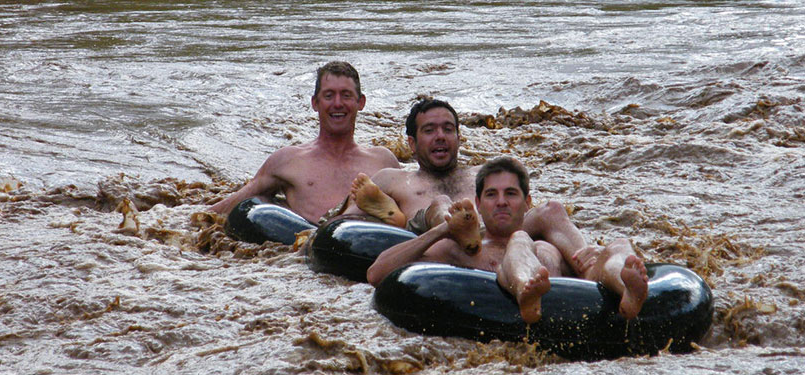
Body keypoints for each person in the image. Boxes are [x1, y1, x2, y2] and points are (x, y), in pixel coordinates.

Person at [366, 157, 649, 324]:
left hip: (570, 299)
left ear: (527, 202)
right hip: (505, 306)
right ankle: (526, 287)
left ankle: (628, 290)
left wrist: (595, 252)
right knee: (521, 240)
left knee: (619, 245)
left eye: (511, 194)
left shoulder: (551, 242)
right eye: (491, 195)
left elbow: (584, 257)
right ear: (478, 203)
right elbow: (376, 273)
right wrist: (442, 230)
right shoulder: (459, 250)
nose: (501, 203)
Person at [210, 61, 400, 224]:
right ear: (315, 103)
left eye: (346, 95)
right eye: (328, 95)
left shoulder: (382, 162)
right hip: (304, 246)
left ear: (361, 102)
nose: (337, 103)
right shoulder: (288, 160)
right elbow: (221, 211)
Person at [340, 98, 481, 248]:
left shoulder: (483, 176)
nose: (440, 136)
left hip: (484, 249)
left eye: (448, 129)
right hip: (422, 242)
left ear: (458, 139)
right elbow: (342, 228)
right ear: (412, 144)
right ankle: (449, 227)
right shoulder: (392, 180)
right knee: (441, 203)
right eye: (429, 130)